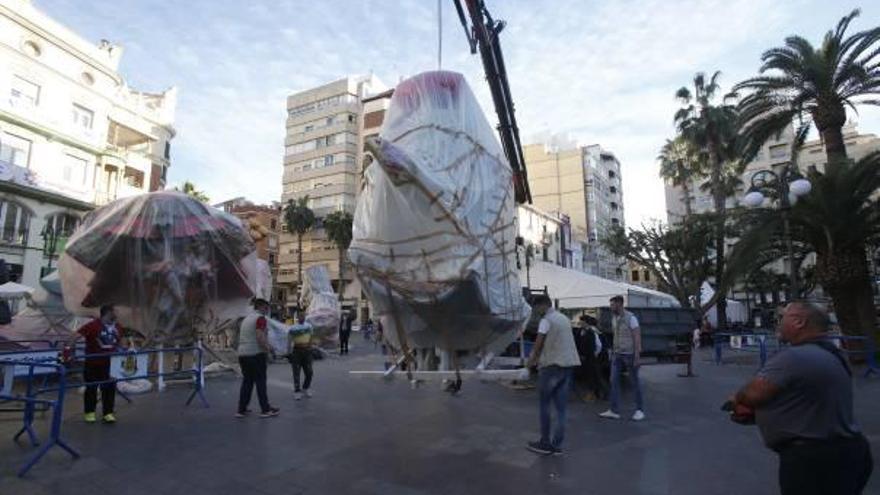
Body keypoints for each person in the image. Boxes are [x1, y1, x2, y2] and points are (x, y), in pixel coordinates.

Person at [729, 302, 872, 495]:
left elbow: (752, 394)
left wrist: (736, 398)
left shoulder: (793, 357)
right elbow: (808, 401)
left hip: (815, 463)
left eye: (782, 318)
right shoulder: (833, 354)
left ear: (799, 322)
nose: (778, 323)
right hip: (848, 453)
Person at [525, 294, 581, 455]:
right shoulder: (563, 318)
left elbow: (537, 346)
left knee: (545, 405)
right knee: (561, 408)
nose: (536, 312)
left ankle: (544, 443)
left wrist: (528, 366)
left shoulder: (546, 320)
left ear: (543, 305)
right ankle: (557, 445)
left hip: (551, 367)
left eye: (536, 308)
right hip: (568, 365)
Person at [599, 295, 645, 421]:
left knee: (635, 381)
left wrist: (637, 355)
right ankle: (614, 410)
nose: (611, 307)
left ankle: (639, 410)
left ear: (619, 304)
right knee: (613, 380)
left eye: (612, 304)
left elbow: (637, 336)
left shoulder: (631, 318)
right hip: (617, 353)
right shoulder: (614, 318)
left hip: (629, 353)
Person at [75, 305, 122, 423]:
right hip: (93, 362)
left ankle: (108, 413)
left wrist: (123, 350)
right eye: (115, 311)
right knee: (91, 388)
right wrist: (68, 349)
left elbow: (120, 341)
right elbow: (75, 336)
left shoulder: (118, 327)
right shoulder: (93, 325)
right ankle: (89, 413)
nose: (117, 314)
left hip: (111, 364)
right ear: (108, 313)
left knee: (109, 388)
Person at [235, 298, 280, 418]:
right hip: (255, 354)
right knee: (260, 382)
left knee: (247, 382)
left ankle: (241, 409)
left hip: (243, 355)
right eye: (266, 308)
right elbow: (260, 337)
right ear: (260, 307)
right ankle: (265, 410)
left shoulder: (247, 319)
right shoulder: (260, 318)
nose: (267, 310)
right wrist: (269, 349)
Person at [288, 313, 314, 400]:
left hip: (307, 352)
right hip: (296, 352)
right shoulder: (293, 328)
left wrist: (310, 348)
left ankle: (306, 388)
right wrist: (288, 352)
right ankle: (297, 391)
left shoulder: (309, 326)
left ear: (305, 317)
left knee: (309, 372)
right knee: (296, 373)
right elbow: (289, 340)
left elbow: (311, 338)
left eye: (303, 316)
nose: (301, 317)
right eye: (300, 316)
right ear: (297, 317)